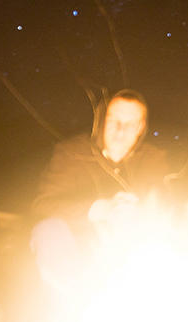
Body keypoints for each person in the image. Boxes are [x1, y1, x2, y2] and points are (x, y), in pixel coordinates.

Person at [30, 91, 172, 301]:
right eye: (113, 121)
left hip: (128, 248)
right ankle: (64, 312)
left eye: (130, 124)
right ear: (101, 121)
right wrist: (98, 209)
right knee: (48, 230)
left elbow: (165, 206)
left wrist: (138, 211)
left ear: (140, 128)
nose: (120, 132)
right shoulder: (71, 153)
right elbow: (42, 204)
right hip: (76, 246)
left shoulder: (153, 159)